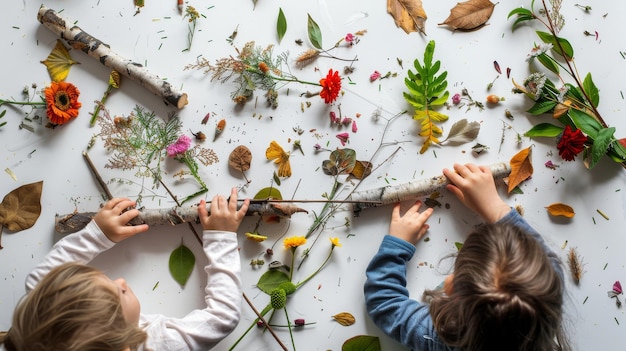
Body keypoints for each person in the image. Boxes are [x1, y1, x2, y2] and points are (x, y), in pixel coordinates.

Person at [0, 187, 250, 351]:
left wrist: (97, 234)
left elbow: (41, 279)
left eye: (106, 280)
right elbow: (223, 317)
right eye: (119, 295)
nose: (120, 281)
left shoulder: (41, 300)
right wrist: (220, 238)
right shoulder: (156, 345)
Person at [364, 163, 570, 351]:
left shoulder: (442, 339)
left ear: (451, 287)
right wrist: (493, 206)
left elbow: (384, 303)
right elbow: (536, 251)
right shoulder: (548, 288)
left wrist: (397, 245)